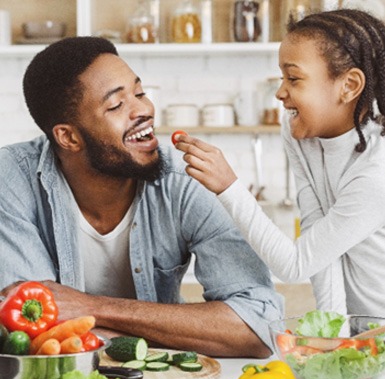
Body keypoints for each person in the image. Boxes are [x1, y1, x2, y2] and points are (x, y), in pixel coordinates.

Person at [0, 36, 283, 358]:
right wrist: (179, 331)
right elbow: (29, 331)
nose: (145, 110)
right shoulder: (11, 179)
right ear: (69, 137)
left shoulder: (186, 181)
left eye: (140, 92)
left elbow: (260, 329)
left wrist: (93, 308)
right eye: (117, 105)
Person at [175, 8, 385, 317]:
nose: (280, 92)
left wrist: (229, 188)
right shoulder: (300, 132)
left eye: (294, 78)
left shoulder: (376, 172)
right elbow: (318, 246)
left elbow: (295, 265)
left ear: (349, 86)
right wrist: (334, 337)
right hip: (364, 334)